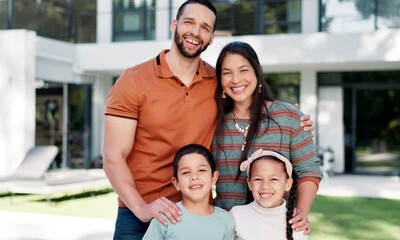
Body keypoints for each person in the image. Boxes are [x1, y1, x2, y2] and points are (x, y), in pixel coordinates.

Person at [103, 1, 313, 239]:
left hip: (200, 214)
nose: (195, 32)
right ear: (174, 24)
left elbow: (247, 100)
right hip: (141, 213)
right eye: (189, 22)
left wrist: (295, 120)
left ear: (212, 37)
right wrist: (142, 209)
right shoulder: (133, 81)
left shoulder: (218, 82)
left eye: (205, 27)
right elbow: (112, 157)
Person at [212, 41, 321, 234]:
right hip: (225, 231)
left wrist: (301, 213)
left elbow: (309, 170)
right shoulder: (213, 123)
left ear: (257, 72)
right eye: (227, 72)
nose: (235, 80)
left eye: (243, 70)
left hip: (276, 231)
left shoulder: (288, 117)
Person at [143, 144, 235, 240]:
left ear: (214, 178)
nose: (194, 177)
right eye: (186, 172)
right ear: (176, 183)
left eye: (202, 170)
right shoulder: (165, 216)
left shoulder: (226, 220)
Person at [230, 149, 307, 240]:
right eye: (258, 179)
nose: (265, 186)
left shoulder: (297, 222)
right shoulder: (236, 215)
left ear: (288, 184)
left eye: (273, 179)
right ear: (249, 183)